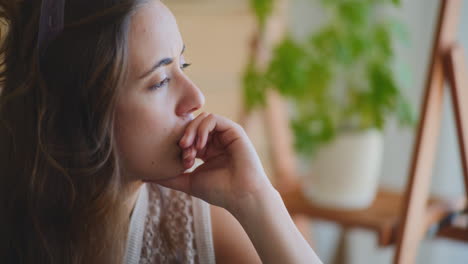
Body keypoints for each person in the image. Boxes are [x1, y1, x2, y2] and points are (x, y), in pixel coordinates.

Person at [0, 0, 322, 263]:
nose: (197, 98)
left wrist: (255, 197)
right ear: (81, 111)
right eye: (160, 81)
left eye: (183, 66)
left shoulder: (197, 225)